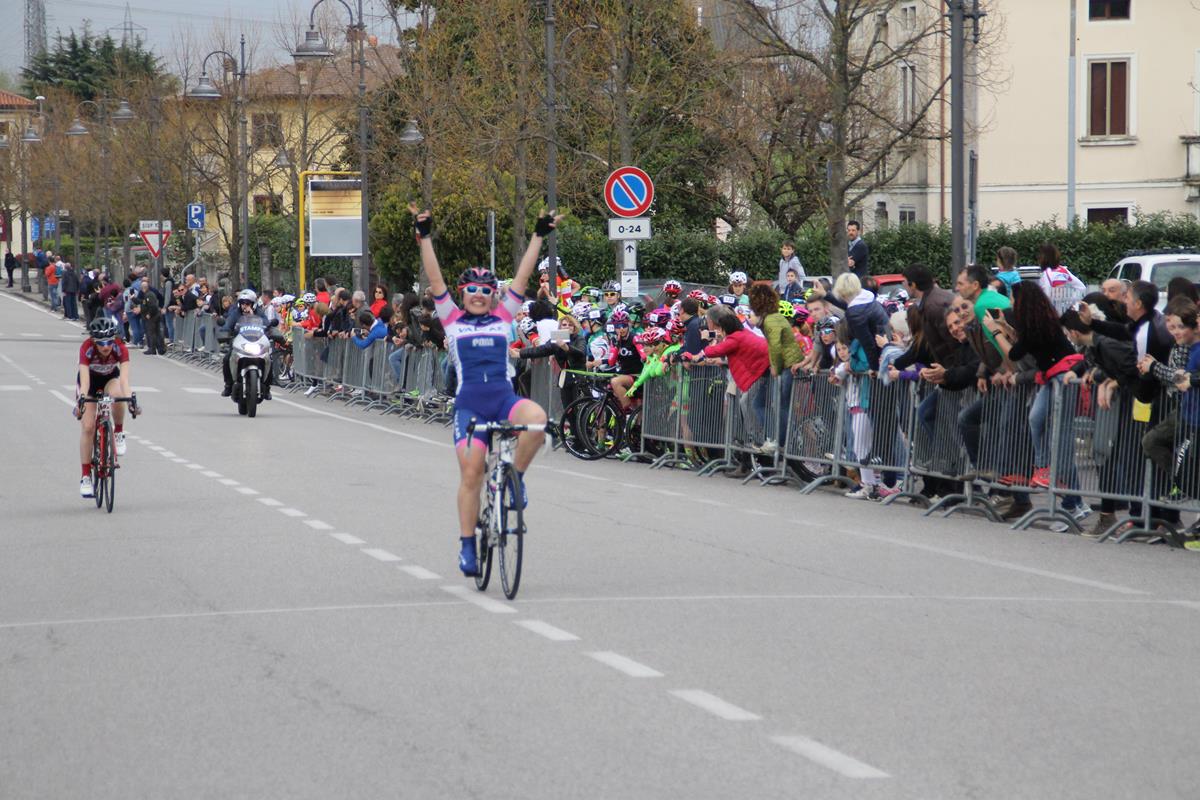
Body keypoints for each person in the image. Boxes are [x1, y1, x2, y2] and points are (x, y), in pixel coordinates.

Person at [410, 201, 553, 578]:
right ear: (462, 293)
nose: (477, 294)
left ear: (493, 296)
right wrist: (424, 237)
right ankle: (467, 544)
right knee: (472, 472)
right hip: (470, 407)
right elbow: (436, 279)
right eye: (471, 289)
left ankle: (515, 477)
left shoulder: (503, 316)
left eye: (485, 290)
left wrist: (539, 234)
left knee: (538, 421)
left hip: (504, 400)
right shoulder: (452, 318)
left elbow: (522, 280)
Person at [74, 317, 135, 498]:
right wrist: (82, 401)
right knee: (88, 427)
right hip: (90, 383)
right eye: (101, 343)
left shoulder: (119, 348)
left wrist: (130, 398)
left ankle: (118, 432)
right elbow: (84, 381)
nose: (106, 346)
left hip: (110, 379)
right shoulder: (86, 348)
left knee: (117, 395)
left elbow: (124, 380)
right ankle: (86, 476)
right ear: (94, 341)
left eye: (109, 341)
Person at [750, 284, 803, 450]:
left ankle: (780, 442)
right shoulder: (774, 317)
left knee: (781, 405)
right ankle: (778, 440)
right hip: (788, 363)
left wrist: (775, 366)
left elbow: (775, 345)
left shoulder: (771, 319)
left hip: (787, 365)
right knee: (778, 404)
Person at [220, 289, 275, 400]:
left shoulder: (259, 312)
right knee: (226, 359)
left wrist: (252, 315)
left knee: (269, 360)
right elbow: (227, 325)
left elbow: (267, 324)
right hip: (239, 343)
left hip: (256, 343)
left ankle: (267, 387)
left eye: (248, 303)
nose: (245, 306)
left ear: (253, 304)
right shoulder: (235, 313)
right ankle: (228, 385)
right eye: (243, 303)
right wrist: (224, 332)